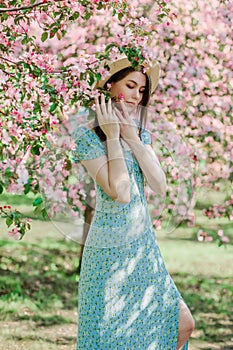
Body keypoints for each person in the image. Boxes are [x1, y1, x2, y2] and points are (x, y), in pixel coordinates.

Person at [72, 55, 195, 350]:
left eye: (141, 90)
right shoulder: (86, 136)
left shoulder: (139, 133)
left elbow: (160, 184)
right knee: (112, 337)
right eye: (130, 85)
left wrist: (131, 137)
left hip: (142, 244)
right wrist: (113, 136)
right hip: (109, 249)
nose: (136, 95)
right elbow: (121, 192)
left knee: (182, 323)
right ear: (110, 86)